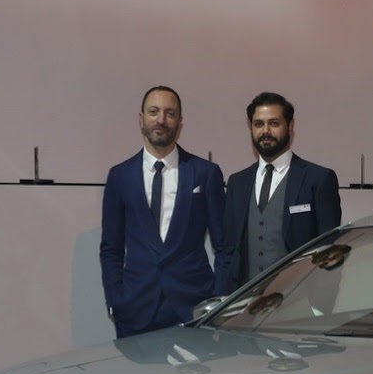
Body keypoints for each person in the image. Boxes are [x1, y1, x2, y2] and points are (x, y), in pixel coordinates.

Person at [100, 86, 227, 338]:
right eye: (154, 112)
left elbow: (225, 246)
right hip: (135, 309)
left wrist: (219, 301)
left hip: (195, 308)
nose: (161, 120)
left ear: (180, 122)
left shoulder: (205, 173)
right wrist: (115, 301)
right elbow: (111, 248)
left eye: (170, 113)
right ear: (141, 119)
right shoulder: (120, 176)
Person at [218, 92, 342, 294]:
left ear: (290, 126)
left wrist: (324, 304)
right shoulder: (237, 183)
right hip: (246, 302)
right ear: (250, 127)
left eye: (274, 123)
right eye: (258, 124)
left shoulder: (318, 179)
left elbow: (330, 250)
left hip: (300, 301)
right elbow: (229, 251)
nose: (265, 131)